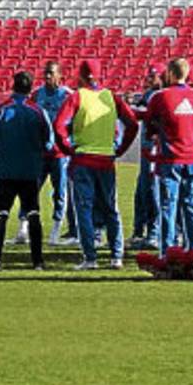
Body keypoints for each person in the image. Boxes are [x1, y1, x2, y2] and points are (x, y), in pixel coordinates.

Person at [53, 58, 139, 269]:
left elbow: (58, 126)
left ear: (80, 75)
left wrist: (67, 149)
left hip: (83, 159)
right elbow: (133, 124)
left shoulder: (77, 97)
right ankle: (116, 255)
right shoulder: (111, 97)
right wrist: (119, 149)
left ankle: (90, 257)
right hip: (106, 160)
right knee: (111, 208)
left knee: (84, 208)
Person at [0, 71, 51, 270]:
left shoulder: (0, 110)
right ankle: (38, 261)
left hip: (5, 169)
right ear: (31, 88)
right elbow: (49, 141)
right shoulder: (38, 111)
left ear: (13, 86)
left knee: (1, 213)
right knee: (33, 213)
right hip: (30, 170)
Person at [141, 58, 193, 255]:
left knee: (168, 207)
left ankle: (167, 251)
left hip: (171, 160)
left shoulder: (160, 97)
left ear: (170, 73)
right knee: (192, 205)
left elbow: (149, 125)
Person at [32, 61, 73, 246]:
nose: (47, 77)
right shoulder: (37, 94)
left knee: (60, 192)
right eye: (45, 73)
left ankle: (56, 231)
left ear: (59, 76)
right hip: (40, 153)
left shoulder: (67, 95)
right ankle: (24, 229)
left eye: (51, 73)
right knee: (31, 190)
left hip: (60, 154)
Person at [128, 64, 163, 250]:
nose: (149, 80)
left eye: (153, 76)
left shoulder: (160, 95)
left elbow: (144, 114)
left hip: (155, 150)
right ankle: (139, 231)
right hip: (146, 151)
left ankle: (154, 233)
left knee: (153, 191)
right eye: (148, 76)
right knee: (141, 191)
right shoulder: (149, 95)